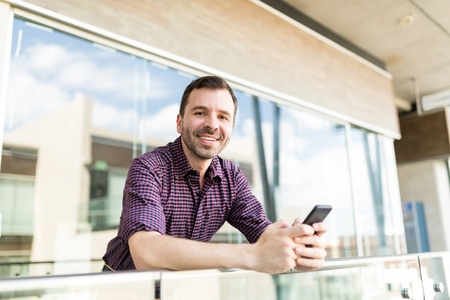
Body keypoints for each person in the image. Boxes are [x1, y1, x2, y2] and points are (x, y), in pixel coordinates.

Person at [103, 75, 328, 274]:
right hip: (122, 289)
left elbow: (262, 234)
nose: (212, 125)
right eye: (200, 113)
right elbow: (146, 253)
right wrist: (253, 256)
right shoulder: (149, 167)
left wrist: (295, 249)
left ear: (230, 128)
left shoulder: (232, 178)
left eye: (223, 117)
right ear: (180, 123)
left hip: (177, 288)